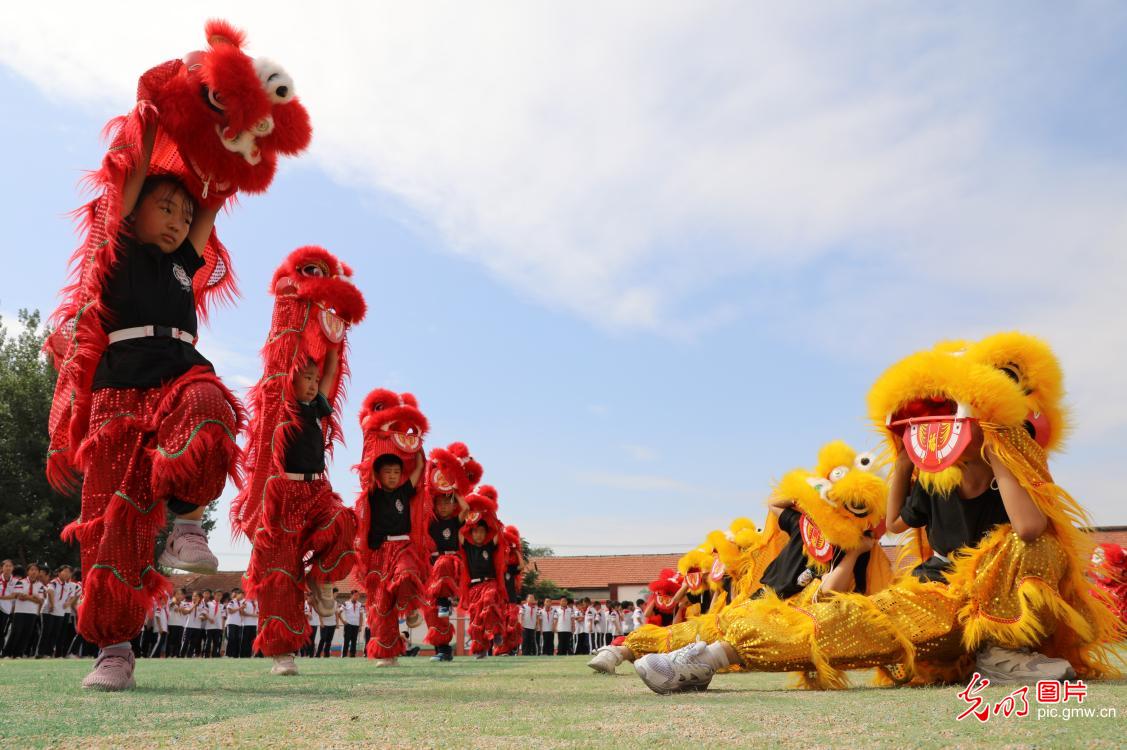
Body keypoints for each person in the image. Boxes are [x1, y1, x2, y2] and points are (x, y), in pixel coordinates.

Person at [632, 334, 1124, 694]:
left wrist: (998, 457)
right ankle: (706, 656)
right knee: (853, 621)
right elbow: (897, 524)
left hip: (988, 606)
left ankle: (1003, 651)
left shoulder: (1014, 474)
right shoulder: (935, 480)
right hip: (937, 595)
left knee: (1036, 543)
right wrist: (904, 463)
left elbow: (1030, 529)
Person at [231, 250, 365, 676]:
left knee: (344, 524)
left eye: (312, 379)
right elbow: (284, 357)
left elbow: (330, 370)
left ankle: (321, 578)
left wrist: (335, 332)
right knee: (279, 573)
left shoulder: (317, 405)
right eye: (303, 377)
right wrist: (300, 304)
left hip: (315, 489)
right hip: (281, 494)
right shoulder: (280, 403)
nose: (310, 383)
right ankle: (282, 652)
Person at [421, 442, 482, 663]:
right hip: (432, 565)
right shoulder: (430, 521)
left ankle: (445, 601)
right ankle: (442, 649)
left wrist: (453, 489)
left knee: (444, 563)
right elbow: (423, 504)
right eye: (440, 504)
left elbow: (465, 508)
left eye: (447, 504)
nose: (443, 507)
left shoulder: (456, 520)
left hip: (451, 562)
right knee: (430, 610)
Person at [459, 488, 510, 659]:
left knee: (489, 601)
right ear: (471, 533)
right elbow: (459, 527)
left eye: (482, 531)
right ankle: (480, 650)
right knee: (476, 619)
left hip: (490, 583)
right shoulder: (467, 545)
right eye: (475, 531)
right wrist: (469, 510)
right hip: (474, 587)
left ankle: (496, 633)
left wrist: (488, 509)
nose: (479, 535)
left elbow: (497, 531)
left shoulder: (490, 545)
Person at [3, 565, 44, 658]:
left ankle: (18, 654)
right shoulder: (21, 582)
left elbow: (40, 601)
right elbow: (20, 597)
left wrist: (28, 597)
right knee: (16, 632)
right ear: (28, 572)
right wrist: (33, 597)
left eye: (36, 570)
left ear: (38, 572)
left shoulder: (40, 585)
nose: (34, 572)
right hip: (20, 611)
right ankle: (7, 653)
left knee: (26, 634)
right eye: (32, 570)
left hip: (32, 612)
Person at [39, 566, 72, 658]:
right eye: (65, 571)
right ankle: (40, 653)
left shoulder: (67, 585)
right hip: (49, 611)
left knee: (55, 634)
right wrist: (52, 604)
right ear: (59, 573)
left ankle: (49, 653)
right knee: (46, 632)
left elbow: (70, 596)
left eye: (69, 572)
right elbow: (50, 592)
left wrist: (68, 603)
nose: (67, 574)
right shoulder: (54, 582)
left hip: (60, 612)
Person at [340, 591, 363, 658]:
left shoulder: (360, 604)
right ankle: (344, 655)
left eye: (358, 595)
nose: (356, 597)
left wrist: (360, 626)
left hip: (356, 625)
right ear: (351, 595)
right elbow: (338, 612)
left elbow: (361, 616)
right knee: (346, 640)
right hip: (348, 625)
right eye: (355, 595)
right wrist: (343, 621)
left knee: (354, 641)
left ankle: (352, 655)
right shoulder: (346, 603)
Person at [166, 589, 188, 658]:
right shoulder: (170, 601)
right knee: (170, 640)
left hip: (180, 624)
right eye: (178, 594)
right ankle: (168, 654)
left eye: (181, 594)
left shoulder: (184, 603)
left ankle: (176, 654)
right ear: (174, 595)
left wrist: (181, 609)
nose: (179, 595)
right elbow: (169, 606)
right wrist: (175, 602)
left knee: (178, 641)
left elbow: (185, 612)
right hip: (171, 624)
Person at [316, 592, 338, 658]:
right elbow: (320, 612)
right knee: (322, 639)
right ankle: (318, 654)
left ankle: (326, 655)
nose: (336, 595)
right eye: (335, 594)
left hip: (332, 624)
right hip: (324, 624)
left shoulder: (335, 603)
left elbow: (336, 613)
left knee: (329, 640)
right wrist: (321, 622)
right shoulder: (323, 602)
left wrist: (337, 623)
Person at [225, 589, 243, 658]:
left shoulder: (240, 603)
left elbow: (241, 613)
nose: (242, 597)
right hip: (231, 623)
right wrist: (239, 608)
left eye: (243, 595)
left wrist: (242, 608)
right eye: (241, 595)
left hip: (238, 623)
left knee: (237, 639)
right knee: (231, 638)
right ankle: (228, 654)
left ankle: (235, 655)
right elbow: (230, 611)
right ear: (237, 595)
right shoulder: (232, 602)